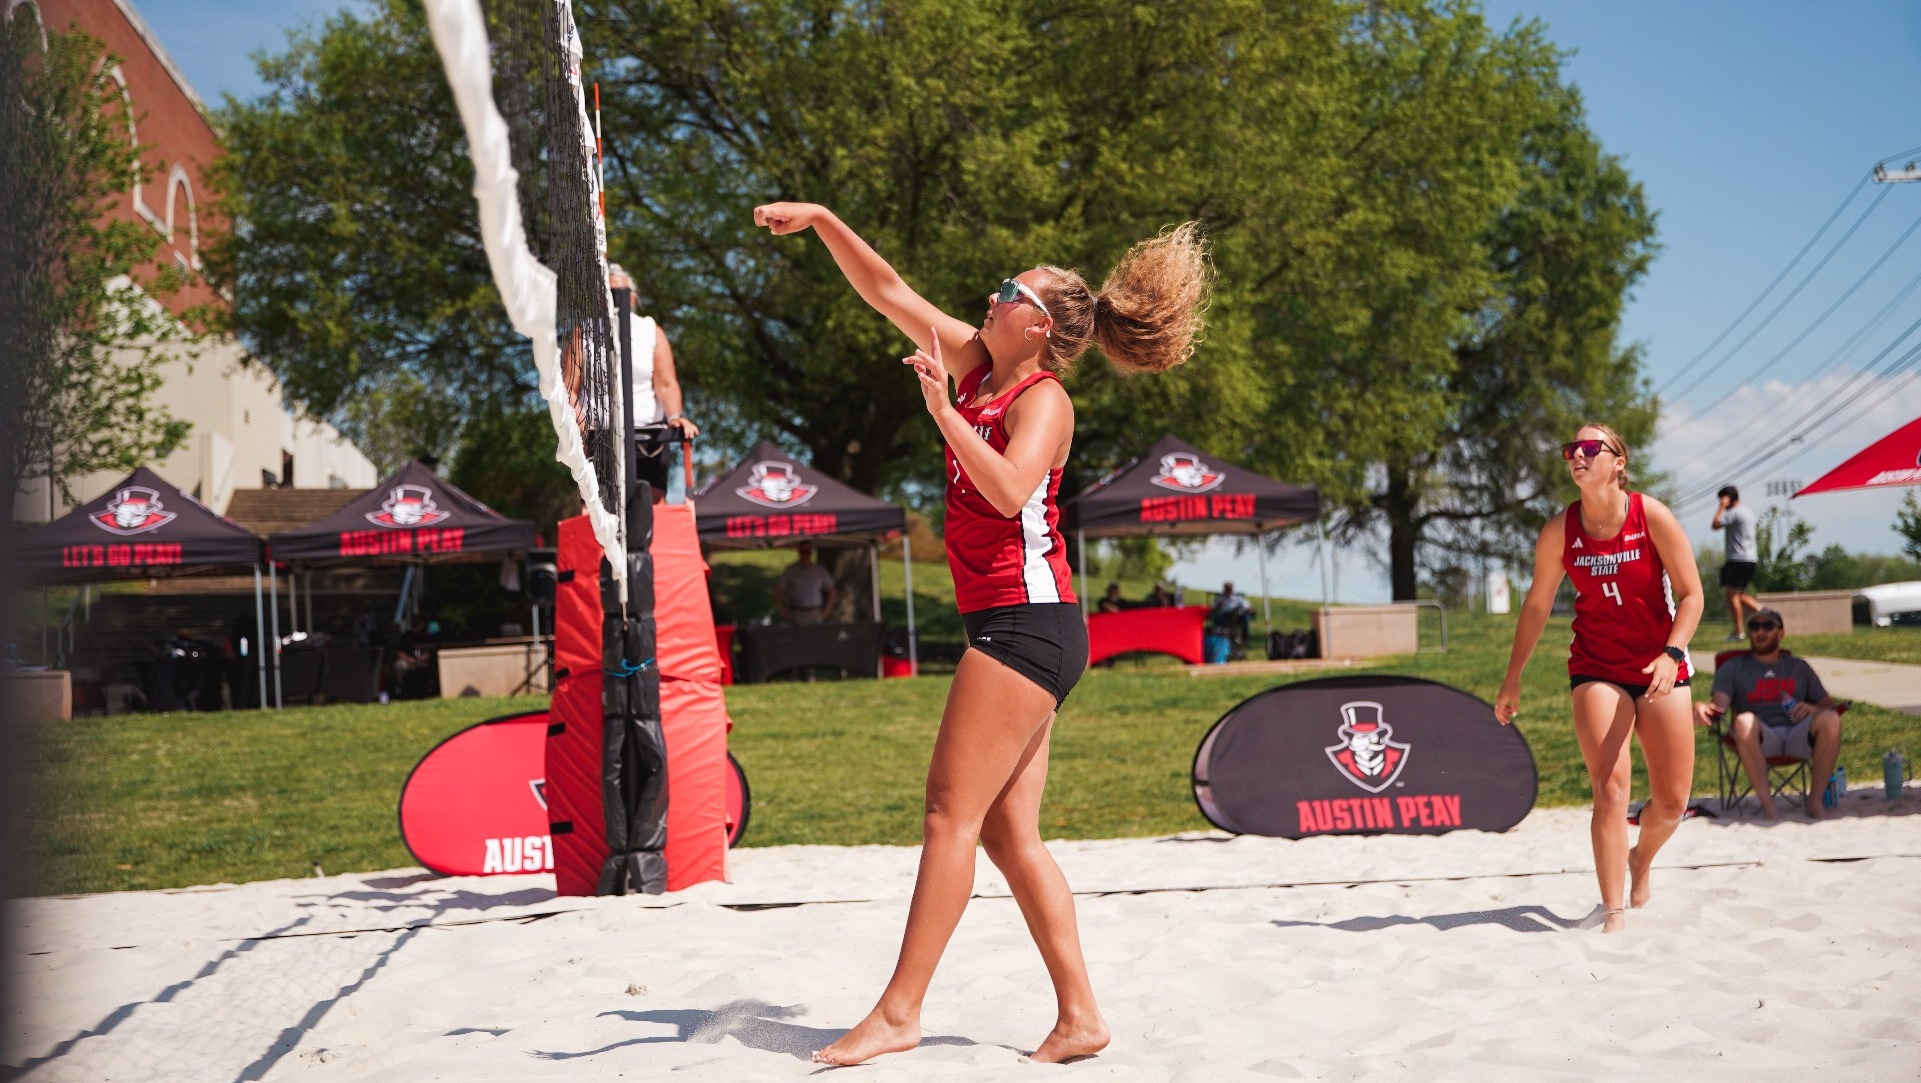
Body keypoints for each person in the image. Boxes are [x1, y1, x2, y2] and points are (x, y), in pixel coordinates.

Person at [754, 199, 1208, 1065]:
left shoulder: (1044, 400)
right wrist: (821, 219)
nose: (992, 296)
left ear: (1037, 328)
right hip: (1020, 623)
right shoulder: (975, 367)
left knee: (946, 815)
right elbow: (888, 290)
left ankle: (899, 1011)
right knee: (1005, 834)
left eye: (1008, 292)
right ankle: (1080, 1015)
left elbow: (1006, 492)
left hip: (1026, 624)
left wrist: (943, 415)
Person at [1496, 423, 1704, 934]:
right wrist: (1512, 677)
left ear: (1618, 462)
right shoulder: (1559, 531)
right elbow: (1537, 606)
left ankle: (1640, 859)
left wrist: (1671, 653)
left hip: (1659, 663)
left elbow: (1692, 595)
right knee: (1610, 790)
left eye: (1591, 448)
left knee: (1672, 803)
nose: (1578, 455)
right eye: (1572, 449)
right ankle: (1613, 914)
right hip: (1596, 666)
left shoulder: (1650, 515)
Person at [1693, 608, 1843, 821]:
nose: (1760, 632)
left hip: (1798, 734)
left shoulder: (1799, 667)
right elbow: (1717, 708)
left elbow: (1829, 707)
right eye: (1755, 627)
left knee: (1830, 719)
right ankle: (1768, 806)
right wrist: (1700, 706)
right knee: (1744, 721)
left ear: (1781, 633)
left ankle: (1815, 801)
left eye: (1767, 626)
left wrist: (1814, 709)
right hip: (1760, 738)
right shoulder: (1733, 668)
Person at [608, 263, 700, 500]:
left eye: (620, 293)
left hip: (649, 440)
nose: (615, 299)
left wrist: (675, 417)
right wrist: (578, 423)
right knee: (597, 512)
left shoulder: (649, 330)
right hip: (601, 439)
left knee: (653, 508)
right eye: (609, 293)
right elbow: (571, 389)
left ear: (633, 298)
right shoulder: (584, 332)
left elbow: (666, 383)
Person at [1711, 485, 1760, 642]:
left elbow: (1715, 524)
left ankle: (1738, 633)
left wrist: (1721, 507)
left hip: (1737, 559)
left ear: (1728, 498)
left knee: (1732, 595)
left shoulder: (1734, 513)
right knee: (1738, 594)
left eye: (1722, 499)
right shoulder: (1748, 512)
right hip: (1750, 558)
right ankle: (1763, 611)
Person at [774, 540, 837, 625]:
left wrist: (826, 612)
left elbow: (832, 591)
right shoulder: (791, 570)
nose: (805, 554)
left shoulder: (819, 570)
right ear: (799, 552)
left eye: (807, 552)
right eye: (803, 551)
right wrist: (783, 610)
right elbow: (778, 590)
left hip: (814, 612)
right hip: (796, 612)